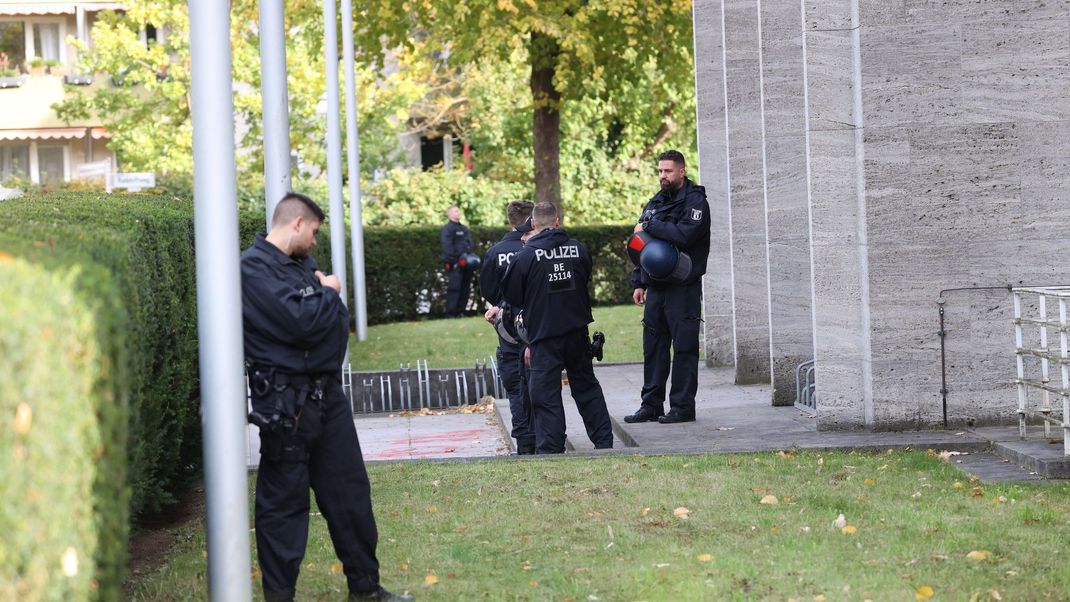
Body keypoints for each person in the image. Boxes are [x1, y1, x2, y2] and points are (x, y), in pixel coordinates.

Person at [241, 192, 413, 602]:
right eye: (315, 232)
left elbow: (330, 323)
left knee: (350, 495)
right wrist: (328, 291)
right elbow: (300, 322)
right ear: (297, 223)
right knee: (284, 506)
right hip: (286, 404)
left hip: (326, 397)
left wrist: (322, 297)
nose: (316, 242)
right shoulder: (252, 269)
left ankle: (366, 589)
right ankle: (280, 596)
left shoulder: (301, 266)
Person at [502, 202, 614, 454]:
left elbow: (512, 295)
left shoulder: (525, 256)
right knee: (586, 387)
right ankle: (604, 442)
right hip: (577, 333)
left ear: (533, 224)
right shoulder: (579, 249)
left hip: (544, 336)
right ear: (558, 221)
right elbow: (583, 277)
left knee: (545, 394)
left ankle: (551, 450)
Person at [624, 150, 711, 425]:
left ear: (681, 172)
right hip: (656, 288)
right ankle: (650, 405)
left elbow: (684, 235)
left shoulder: (696, 202)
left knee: (684, 348)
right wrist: (639, 281)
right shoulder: (655, 202)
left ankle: (682, 407)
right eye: (660, 171)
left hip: (683, 288)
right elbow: (641, 244)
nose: (663, 176)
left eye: (668, 171)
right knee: (653, 347)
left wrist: (651, 224)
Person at [480, 200, 536, 454]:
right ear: (531, 219)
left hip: (509, 328)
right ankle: (546, 436)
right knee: (540, 383)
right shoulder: (535, 248)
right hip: (538, 324)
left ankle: (524, 441)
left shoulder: (496, 252)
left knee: (515, 385)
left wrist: (501, 307)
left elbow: (487, 289)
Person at [440, 205, 474, 318]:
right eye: (455, 211)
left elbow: (469, 245)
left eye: (458, 211)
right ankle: (450, 314)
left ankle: (461, 312)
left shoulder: (464, 228)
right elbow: (447, 247)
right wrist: (453, 261)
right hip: (455, 265)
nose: (458, 213)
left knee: (465, 289)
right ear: (449, 214)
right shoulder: (447, 229)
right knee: (454, 289)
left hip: (467, 264)